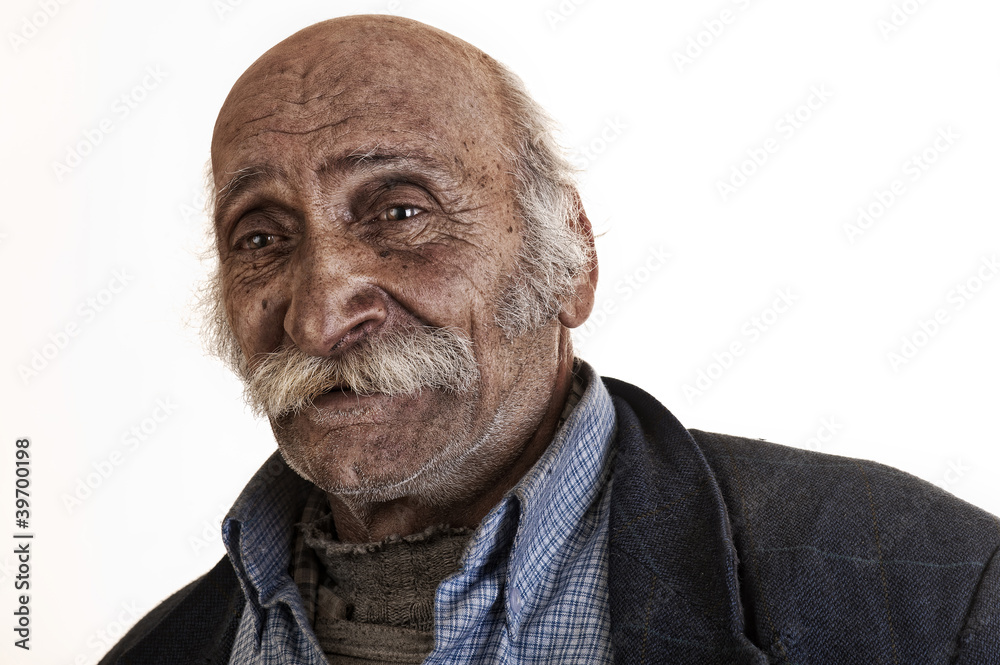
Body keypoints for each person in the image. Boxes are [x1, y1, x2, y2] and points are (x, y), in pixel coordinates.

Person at [100, 14, 1000, 665]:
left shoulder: (935, 594)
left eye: (401, 211)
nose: (319, 318)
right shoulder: (158, 650)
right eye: (260, 236)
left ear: (569, 260)